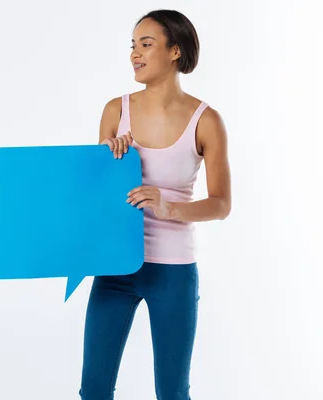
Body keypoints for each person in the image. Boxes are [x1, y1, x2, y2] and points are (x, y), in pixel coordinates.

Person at [79, 10, 232, 400]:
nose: (135, 54)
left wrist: (170, 209)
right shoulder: (116, 110)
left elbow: (220, 204)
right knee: (94, 389)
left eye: (146, 45)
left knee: (172, 392)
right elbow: (97, 195)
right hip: (116, 263)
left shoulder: (207, 120)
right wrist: (109, 162)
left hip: (174, 273)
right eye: (133, 45)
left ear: (175, 51)